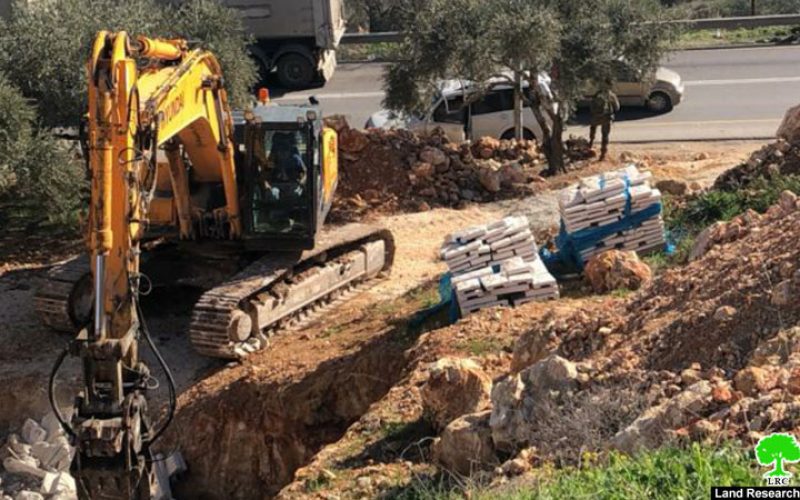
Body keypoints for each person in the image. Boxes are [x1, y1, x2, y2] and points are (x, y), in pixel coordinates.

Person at [588, 86, 620, 161]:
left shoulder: (597, 94)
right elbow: (617, 107)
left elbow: (591, 107)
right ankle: (603, 154)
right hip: (606, 118)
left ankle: (590, 143)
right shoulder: (611, 95)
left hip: (595, 117)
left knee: (593, 129)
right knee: (605, 135)